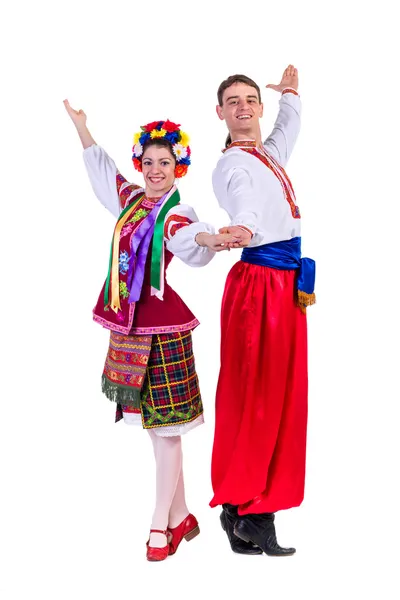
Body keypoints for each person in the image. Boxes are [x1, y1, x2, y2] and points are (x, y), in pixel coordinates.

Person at [64, 101, 238, 561]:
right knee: (153, 428)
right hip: (127, 323)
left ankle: (159, 525)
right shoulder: (132, 200)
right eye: (149, 162)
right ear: (140, 164)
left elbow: (188, 235)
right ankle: (181, 514)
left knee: (167, 430)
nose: (156, 170)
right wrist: (84, 129)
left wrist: (210, 238)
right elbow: (105, 177)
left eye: (165, 163)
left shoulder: (176, 213)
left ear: (178, 166)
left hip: (161, 328)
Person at [209, 65, 316, 556]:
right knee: (260, 395)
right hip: (261, 288)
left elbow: (287, 129)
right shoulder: (233, 166)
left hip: (285, 283)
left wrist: (290, 92)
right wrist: (245, 229)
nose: (244, 106)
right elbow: (245, 204)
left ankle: (240, 512)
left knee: (280, 392)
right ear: (221, 113)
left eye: (250, 98)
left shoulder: (266, 155)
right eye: (233, 101)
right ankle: (252, 510)